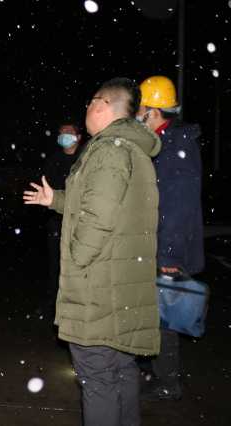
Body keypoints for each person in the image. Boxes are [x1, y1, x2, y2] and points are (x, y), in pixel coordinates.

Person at [23, 78, 162, 426]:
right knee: (121, 370)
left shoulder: (109, 150)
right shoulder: (129, 149)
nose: (86, 109)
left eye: (91, 102)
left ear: (103, 105)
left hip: (99, 288)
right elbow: (101, 202)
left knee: (98, 378)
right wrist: (55, 199)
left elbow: (98, 217)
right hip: (118, 287)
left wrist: (76, 258)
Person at [136, 75, 205, 401]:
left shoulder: (175, 145)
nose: (138, 114)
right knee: (154, 313)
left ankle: (167, 382)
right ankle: (155, 372)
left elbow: (177, 206)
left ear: (153, 111)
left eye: (142, 109)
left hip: (166, 249)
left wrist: (169, 257)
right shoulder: (163, 142)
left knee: (165, 316)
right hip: (158, 245)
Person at [43, 123, 83, 314]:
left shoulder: (85, 159)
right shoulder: (54, 160)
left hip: (80, 220)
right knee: (55, 264)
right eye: (61, 134)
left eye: (68, 133)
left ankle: (75, 305)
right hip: (56, 221)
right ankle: (53, 304)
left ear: (78, 136)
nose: (64, 136)